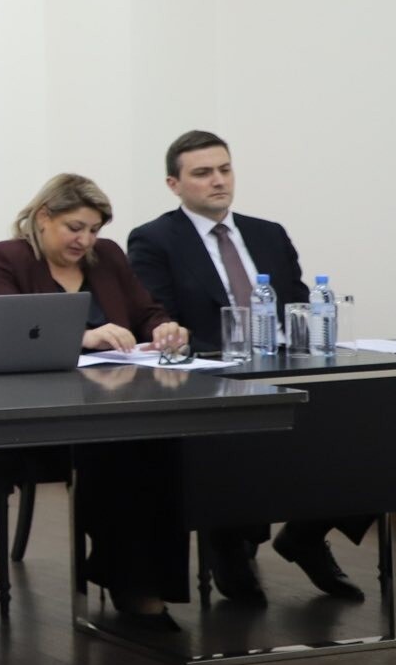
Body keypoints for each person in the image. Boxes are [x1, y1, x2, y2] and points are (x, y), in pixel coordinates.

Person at [127, 130, 369, 603]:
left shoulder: (267, 233)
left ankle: (305, 534)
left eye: (225, 169)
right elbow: (159, 318)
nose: (218, 181)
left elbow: (298, 303)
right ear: (174, 184)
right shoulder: (155, 239)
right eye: (203, 173)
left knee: (368, 418)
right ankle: (230, 543)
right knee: (242, 427)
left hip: (286, 364)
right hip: (213, 376)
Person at [0, 173, 190, 629]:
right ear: (43, 217)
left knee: (166, 441)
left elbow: (147, 311)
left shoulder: (107, 257)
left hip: (116, 400)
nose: (86, 240)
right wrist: (84, 336)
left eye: (94, 229)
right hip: (37, 412)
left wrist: (165, 329)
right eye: (75, 228)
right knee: (118, 450)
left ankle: (141, 579)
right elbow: (2, 330)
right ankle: (134, 586)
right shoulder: (6, 258)